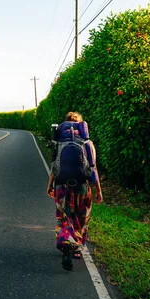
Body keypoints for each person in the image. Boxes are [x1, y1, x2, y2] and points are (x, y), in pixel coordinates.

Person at [46, 111, 103, 271]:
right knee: (81, 217)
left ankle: (65, 242)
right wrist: (98, 190)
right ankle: (77, 248)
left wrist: (50, 185)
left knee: (64, 216)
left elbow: (54, 166)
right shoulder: (87, 142)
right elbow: (93, 167)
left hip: (62, 186)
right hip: (83, 186)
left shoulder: (58, 143)